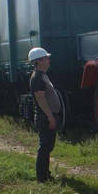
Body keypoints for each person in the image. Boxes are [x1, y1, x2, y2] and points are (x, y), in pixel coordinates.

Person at [28, 47, 61, 183]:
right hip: (45, 117)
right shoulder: (37, 78)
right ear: (39, 60)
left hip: (47, 116)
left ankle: (45, 173)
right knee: (45, 147)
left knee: (48, 146)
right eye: (46, 58)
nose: (48, 60)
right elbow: (41, 99)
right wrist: (50, 117)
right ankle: (42, 177)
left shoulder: (42, 75)